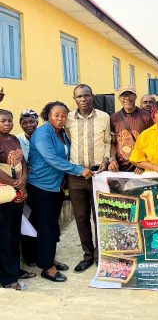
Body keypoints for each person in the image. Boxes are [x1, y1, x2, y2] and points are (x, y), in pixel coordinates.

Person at [27, 101, 93, 283]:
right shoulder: (42, 134)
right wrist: (79, 170)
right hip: (40, 187)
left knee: (49, 225)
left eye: (63, 115)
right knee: (47, 227)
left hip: (55, 186)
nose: (60, 118)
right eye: (56, 115)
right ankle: (47, 268)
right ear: (48, 115)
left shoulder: (62, 132)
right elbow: (52, 159)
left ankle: (46, 258)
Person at [65, 84, 111, 273]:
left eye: (86, 96)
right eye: (79, 97)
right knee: (81, 217)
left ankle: (101, 256)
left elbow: (108, 141)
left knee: (99, 217)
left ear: (92, 96)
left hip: (99, 175)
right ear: (74, 99)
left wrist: (106, 159)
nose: (83, 99)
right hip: (76, 175)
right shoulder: (67, 119)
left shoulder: (104, 117)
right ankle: (87, 256)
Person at [0, 109, 28, 290]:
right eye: (3, 121)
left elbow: (23, 161)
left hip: (16, 193)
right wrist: (15, 184)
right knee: (4, 237)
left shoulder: (14, 139)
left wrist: (24, 178)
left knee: (15, 234)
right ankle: (8, 279)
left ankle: (15, 270)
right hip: (4, 195)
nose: (7, 124)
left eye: (9, 121)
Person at [109, 86, 153, 172]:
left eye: (130, 94)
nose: (127, 98)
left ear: (135, 97)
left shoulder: (146, 117)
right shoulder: (114, 118)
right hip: (120, 169)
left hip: (141, 168)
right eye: (123, 95)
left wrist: (145, 164)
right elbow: (113, 143)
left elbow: (151, 143)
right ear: (119, 99)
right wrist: (113, 159)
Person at [17, 110, 39, 268]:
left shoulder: (43, 138)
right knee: (26, 222)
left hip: (41, 186)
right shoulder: (16, 140)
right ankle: (30, 257)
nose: (28, 125)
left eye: (31, 122)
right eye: (24, 123)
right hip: (24, 187)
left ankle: (44, 254)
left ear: (37, 122)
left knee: (42, 221)